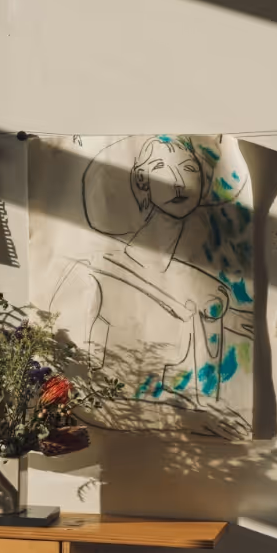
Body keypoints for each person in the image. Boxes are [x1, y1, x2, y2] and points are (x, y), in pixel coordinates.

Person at [49, 135, 255, 434]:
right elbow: (71, 392)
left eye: (188, 168)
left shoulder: (210, 292)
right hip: (113, 446)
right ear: (141, 182)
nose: (177, 182)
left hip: (190, 453)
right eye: (160, 167)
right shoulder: (95, 274)